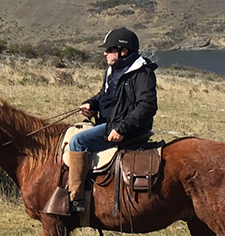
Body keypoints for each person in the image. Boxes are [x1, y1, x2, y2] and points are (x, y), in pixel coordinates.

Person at [66, 27, 158, 213]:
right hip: (110, 124)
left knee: (78, 141)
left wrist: (122, 129)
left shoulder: (142, 74)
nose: (105, 53)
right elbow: (105, 96)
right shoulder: (113, 70)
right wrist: (92, 105)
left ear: (122, 52)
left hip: (127, 129)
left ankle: (76, 199)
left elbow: (146, 107)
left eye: (109, 50)